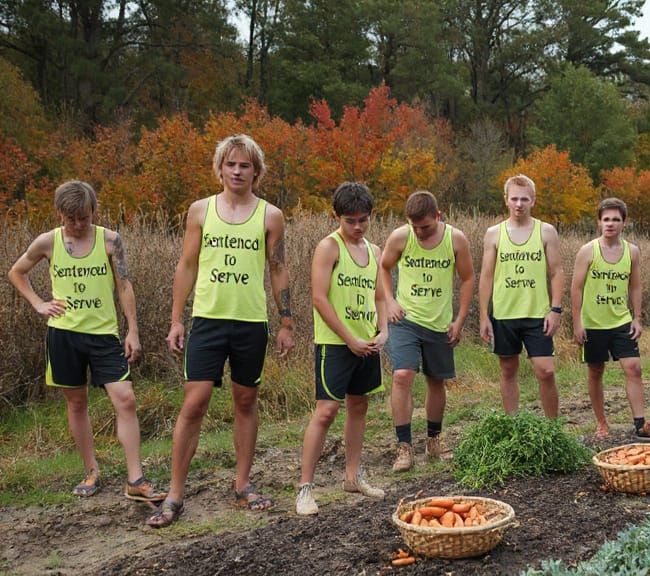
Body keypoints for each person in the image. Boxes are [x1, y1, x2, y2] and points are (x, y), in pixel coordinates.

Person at [148, 134, 295, 527]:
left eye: (245, 165)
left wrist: (286, 322)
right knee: (194, 403)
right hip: (208, 321)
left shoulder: (270, 216)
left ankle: (243, 484)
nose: (237, 171)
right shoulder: (200, 211)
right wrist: (176, 319)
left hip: (250, 322)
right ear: (220, 168)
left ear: (256, 171)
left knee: (246, 401)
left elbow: (277, 268)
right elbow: (187, 265)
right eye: (230, 164)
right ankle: (175, 494)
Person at [8, 181, 167, 504]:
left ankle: (135, 478)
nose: (78, 224)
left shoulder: (110, 241)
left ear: (94, 211)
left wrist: (132, 330)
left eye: (84, 217)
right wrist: (38, 303)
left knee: (125, 399)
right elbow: (17, 272)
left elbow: (124, 285)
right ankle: (90, 470)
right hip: (64, 335)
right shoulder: (47, 242)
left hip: (104, 335)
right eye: (71, 219)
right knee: (76, 403)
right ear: (59, 214)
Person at [295, 183, 389, 515]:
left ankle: (352, 476)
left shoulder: (375, 251)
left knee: (359, 405)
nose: (358, 226)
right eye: (350, 220)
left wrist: (384, 330)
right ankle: (305, 487)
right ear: (337, 217)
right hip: (335, 343)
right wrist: (349, 338)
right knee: (326, 411)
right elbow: (319, 297)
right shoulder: (328, 247)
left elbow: (379, 296)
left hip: (367, 342)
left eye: (363, 219)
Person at [380, 191, 474, 472]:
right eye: (415, 226)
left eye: (426, 227)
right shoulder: (400, 237)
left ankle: (433, 439)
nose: (419, 232)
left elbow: (468, 278)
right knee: (402, 375)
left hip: (439, 322)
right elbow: (383, 268)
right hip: (405, 319)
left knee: (436, 381)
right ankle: (404, 446)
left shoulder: (455, 239)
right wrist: (390, 301)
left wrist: (459, 320)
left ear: (439, 216)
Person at [570, 198, 650, 439]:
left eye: (616, 219)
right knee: (596, 370)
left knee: (633, 368)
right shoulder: (588, 251)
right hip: (593, 323)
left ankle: (640, 424)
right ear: (599, 222)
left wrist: (637, 317)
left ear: (624, 222)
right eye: (606, 219)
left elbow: (635, 285)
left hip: (621, 320)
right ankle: (601, 423)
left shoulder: (631, 251)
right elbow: (576, 288)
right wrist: (577, 322)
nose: (610, 224)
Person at [478, 174, 564, 418]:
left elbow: (556, 272)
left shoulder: (546, 231)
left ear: (533, 201)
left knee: (545, 370)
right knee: (507, 369)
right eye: (514, 198)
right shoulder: (494, 233)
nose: (519, 204)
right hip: (505, 313)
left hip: (538, 313)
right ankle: (513, 424)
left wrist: (555, 310)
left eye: (524, 199)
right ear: (506, 200)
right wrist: (484, 316)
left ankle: (552, 428)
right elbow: (486, 275)